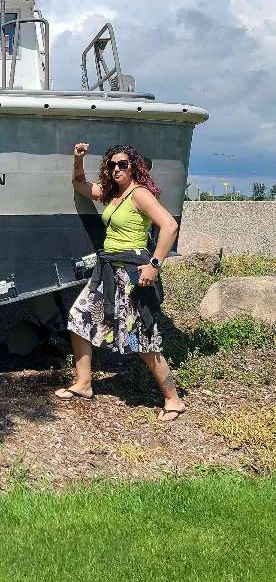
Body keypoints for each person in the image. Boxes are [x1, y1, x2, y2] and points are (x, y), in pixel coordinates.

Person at [55, 142, 185, 423]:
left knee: (141, 337)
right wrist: (79, 159)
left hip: (132, 274)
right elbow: (80, 186)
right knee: (79, 317)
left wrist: (155, 265)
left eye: (122, 164)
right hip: (107, 273)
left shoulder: (139, 194)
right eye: (112, 164)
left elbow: (169, 225)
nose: (116, 169)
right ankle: (84, 383)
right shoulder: (113, 194)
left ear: (134, 166)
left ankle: (173, 399)